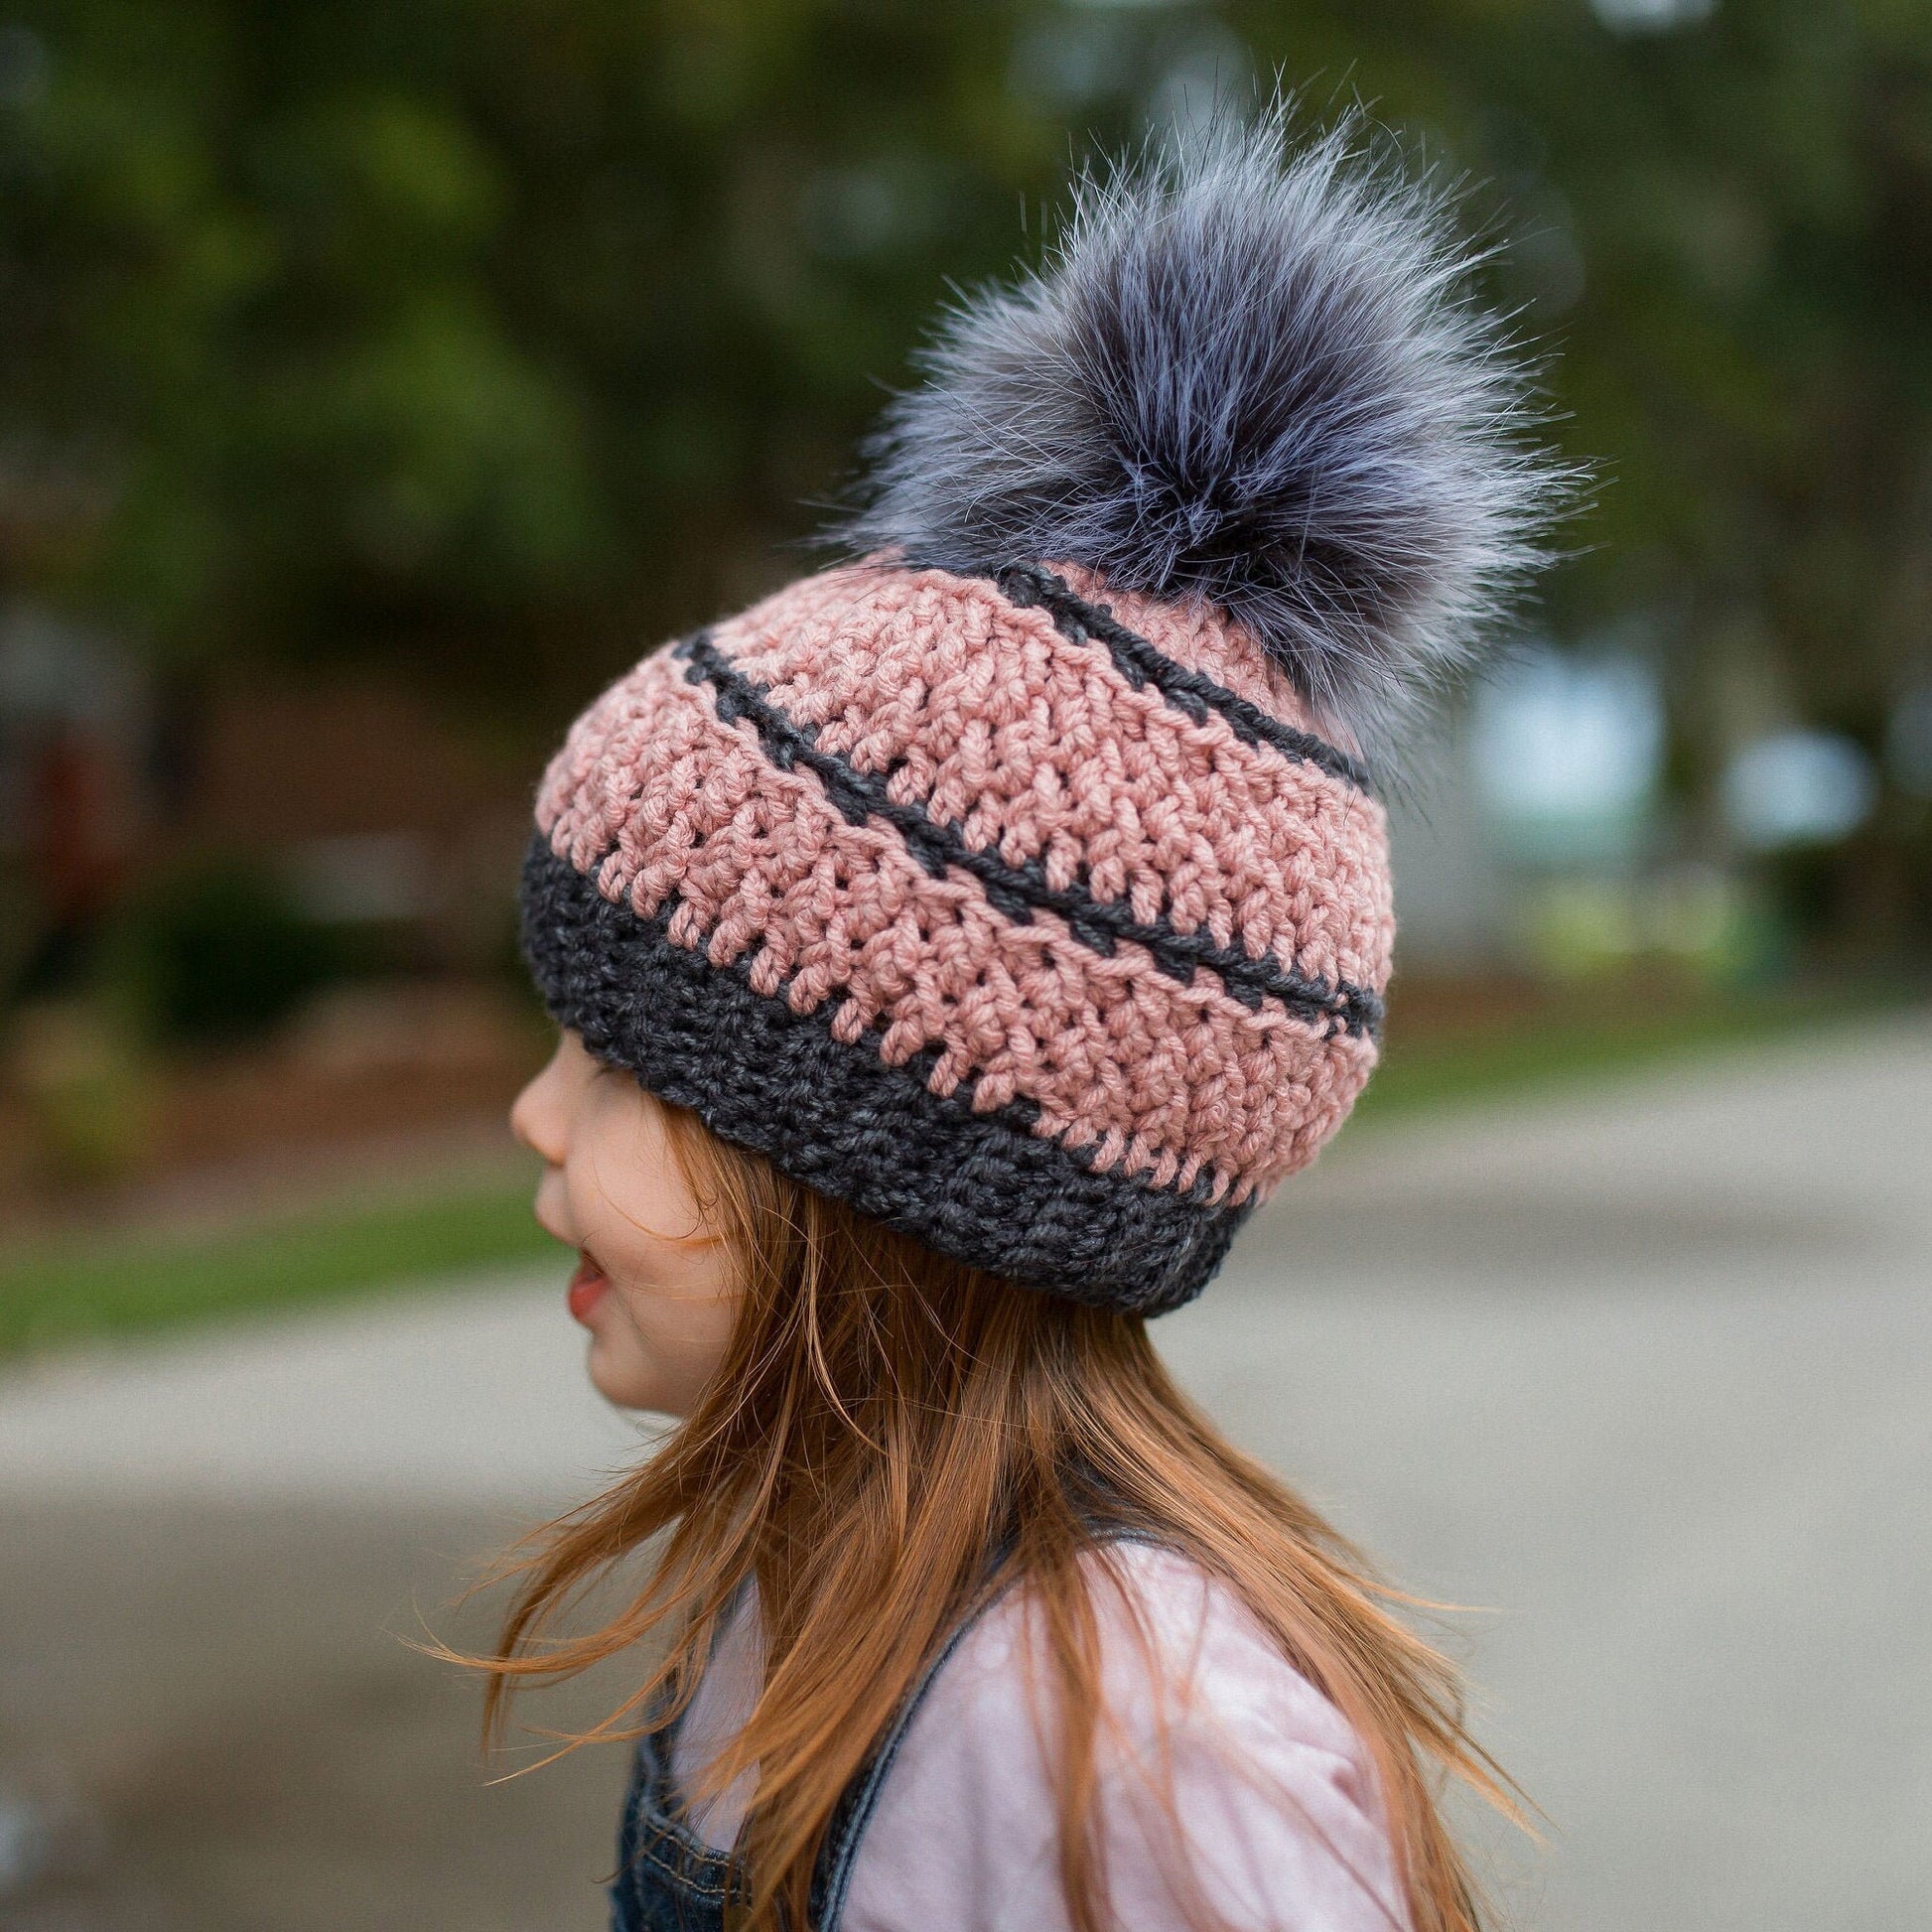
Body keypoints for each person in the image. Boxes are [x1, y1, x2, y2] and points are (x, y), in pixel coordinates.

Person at [476, 104, 1569, 1932]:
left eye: (621, 1059)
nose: (532, 1113)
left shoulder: (1122, 1746)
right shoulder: (796, 1589)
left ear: (899, 1163)